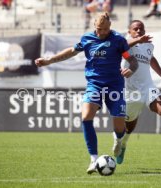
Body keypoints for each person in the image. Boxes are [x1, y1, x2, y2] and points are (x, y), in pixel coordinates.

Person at [35, 13, 138, 174]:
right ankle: (93, 159)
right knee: (85, 117)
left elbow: (131, 60)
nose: (101, 32)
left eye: (104, 29)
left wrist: (131, 69)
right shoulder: (87, 39)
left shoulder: (118, 40)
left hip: (114, 87)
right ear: (94, 26)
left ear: (110, 26)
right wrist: (49, 61)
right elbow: (71, 52)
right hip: (94, 84)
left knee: (119, 126)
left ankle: (118, 139)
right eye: (98, 29)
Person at [118, 20, 161, 167]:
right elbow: (120, 48)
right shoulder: (124, 42)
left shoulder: (148, 45)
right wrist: (137, 40)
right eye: (135, 29)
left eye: (141, 29)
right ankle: (123, 145)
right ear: (129, 31)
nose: (138, 31)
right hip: (130, 91)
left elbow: (151, 59)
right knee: (129, 127)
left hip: (148, 87)